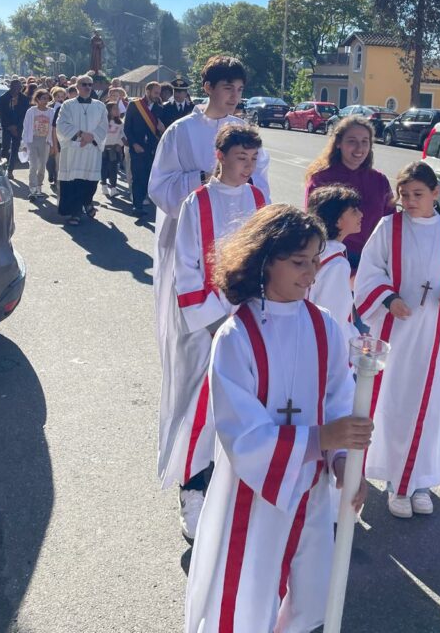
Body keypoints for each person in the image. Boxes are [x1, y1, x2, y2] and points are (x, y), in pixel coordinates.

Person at [184, 204, 371, 633]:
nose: (311, 274)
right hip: (255, 493)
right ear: (265, 261)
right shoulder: (237, 336)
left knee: (312, 592)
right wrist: (321, 438)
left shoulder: (325, 326)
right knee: (245, 595)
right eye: (298, 262)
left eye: (315, 262)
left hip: (313, 488)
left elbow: (339, 398)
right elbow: (241, 433)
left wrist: (343, 458)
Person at [354, 161, 440, 519]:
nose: (408, 201)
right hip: (395, 332)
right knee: (393, 405)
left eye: (417, 194)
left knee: (429, 407)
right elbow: (369, 271)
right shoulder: (389, 227)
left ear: (437, 193)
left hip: (433, 337)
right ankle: (395, 480)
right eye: (404, 194)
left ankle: (419, 481)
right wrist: (389, 299)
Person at [164, 124, 269, 539]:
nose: (248, 167)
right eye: (241, 158)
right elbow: (186, 267)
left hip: (248, 319)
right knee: (200, 405)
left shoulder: (259, 198)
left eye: (253, 160)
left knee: (244, 402)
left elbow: (266, 257)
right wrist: (212, 322)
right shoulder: (197, 203)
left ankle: (236, 486)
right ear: (220, 156)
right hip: (206, 323)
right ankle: (192, 487)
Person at [305, 116, 395, 270]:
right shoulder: (321, 179)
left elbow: (391, 222)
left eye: (365, 141)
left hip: (374, 260)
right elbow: (314, 226)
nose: (359, 148)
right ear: (339, 143)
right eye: (352, 141)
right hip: (335, 259)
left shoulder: (379, 180)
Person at [305, 183, 362, 341]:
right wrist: (355, 338)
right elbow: (334, 319)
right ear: (337, 221)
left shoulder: (315, 250)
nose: (361, 215)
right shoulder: (337, 264)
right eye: (354, 211)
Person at [56, 75, 109, 226]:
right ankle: (75, 211)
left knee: (90, 181)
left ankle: (88, 202)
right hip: (74, 150)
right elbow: (61, 125)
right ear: (77, 87)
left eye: (90, 85)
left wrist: (91, 137)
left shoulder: (100, 106)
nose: (87, 87)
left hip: (91, 148)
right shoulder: (67, 105)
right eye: (84, 84)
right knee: (74, 182)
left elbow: (103, 126)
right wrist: (80, 134)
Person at [124, 81, 164, 216]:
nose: (158, 95)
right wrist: (134, 144)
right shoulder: (134, 105)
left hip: (152, 148)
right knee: (137, 177)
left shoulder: (159, 107)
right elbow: (127, 128)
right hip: (137, 147)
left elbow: (160, 131)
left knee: (148, 176)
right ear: (147, 91)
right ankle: (137, 205)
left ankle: (145, 199)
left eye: (159, 93)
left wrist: (161, 130)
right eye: (156, 93)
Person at [21, 89, 55, 202]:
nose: (45, 101)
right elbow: (26, 127)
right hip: (32, 140)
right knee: (33, 165)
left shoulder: (51, 112)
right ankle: (32, 189)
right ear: (37, 99)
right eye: (43, 98)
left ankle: (39, 185)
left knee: (41, 166)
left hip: (45, 141)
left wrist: (53, 144)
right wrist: (24, 143)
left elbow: (54, 129)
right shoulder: (31, 111)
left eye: (47, 98)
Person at [0, 78, 30, 178]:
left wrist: (17, 127)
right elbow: (1, 114)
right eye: (14, 87)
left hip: (18, 127)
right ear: (10, 87)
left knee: (15, 149)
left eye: (19, 87)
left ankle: (10, 170)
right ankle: (3, 168)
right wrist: (9, 126)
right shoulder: (3, 98)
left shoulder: (24, 99)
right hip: (7, 127)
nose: (17, 89)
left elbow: (24, 115)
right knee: (5, 148)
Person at [100, 100, 124, 199]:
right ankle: (104, 184)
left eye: (117, 108)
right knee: (104, 168)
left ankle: (113, 187)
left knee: (113, 168)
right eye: (114, 108)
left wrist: (120, 144)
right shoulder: (103, 122)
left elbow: (122, 134)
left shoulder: (120, 123)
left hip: (114, 149)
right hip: (103, 149)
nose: (117, 110)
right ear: (108, 110)